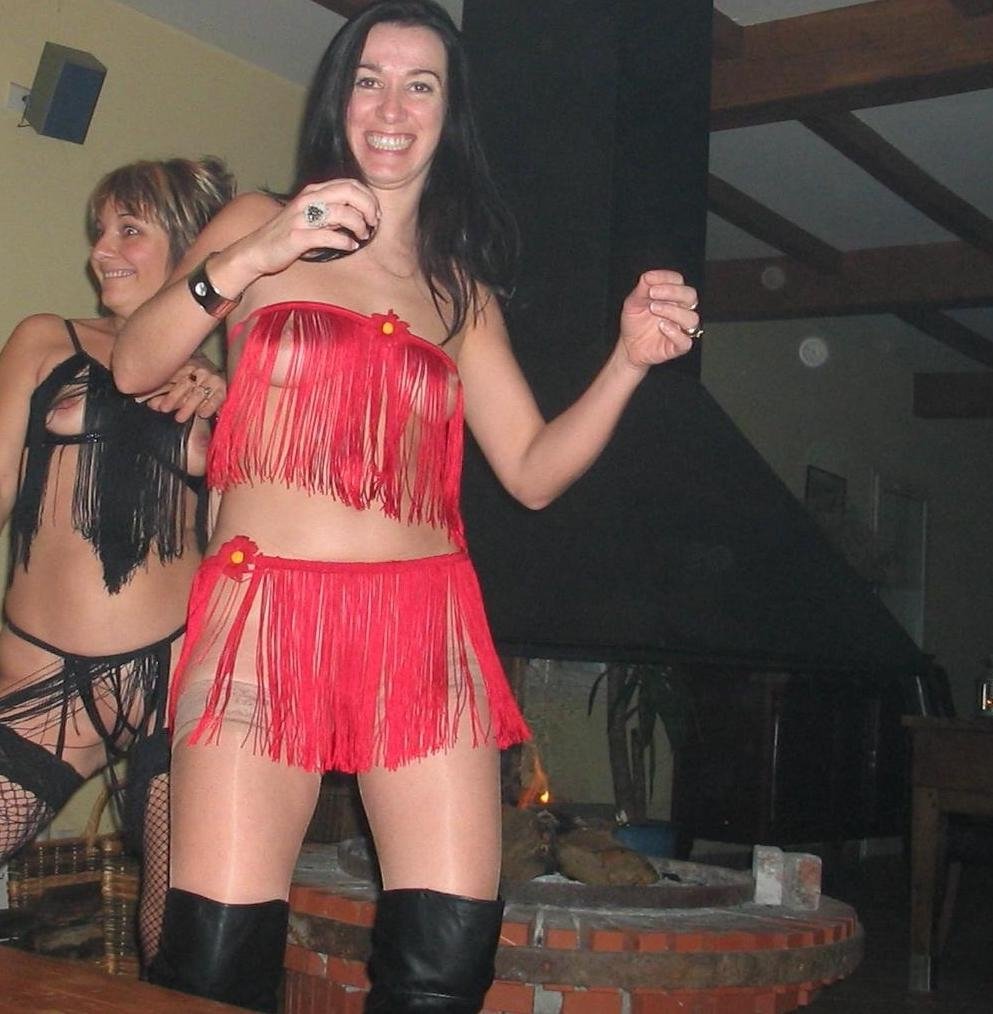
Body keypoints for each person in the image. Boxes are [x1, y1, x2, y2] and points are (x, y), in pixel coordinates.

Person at [114, 2, 700, 1010]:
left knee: (445, 965)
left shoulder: (457, 290)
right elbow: (134, 363)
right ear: (338, 100)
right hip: (262, 621)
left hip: (423, 632)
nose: (391, 107)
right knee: (214, 968)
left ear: (448, 113)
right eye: (369, 80)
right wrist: (255, 254)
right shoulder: (257, 221)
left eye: (419, 85)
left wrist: (627, 362)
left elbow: (531, 470)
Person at [0, 155, 234, 969]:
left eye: (129, 230)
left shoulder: (218, 382)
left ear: (189, 249)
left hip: (177, 680)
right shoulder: (46, 339)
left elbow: (231, 542)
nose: (102, 249)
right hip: (51, 682)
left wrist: (224, 408)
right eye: (100, 231)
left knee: (180, 941)